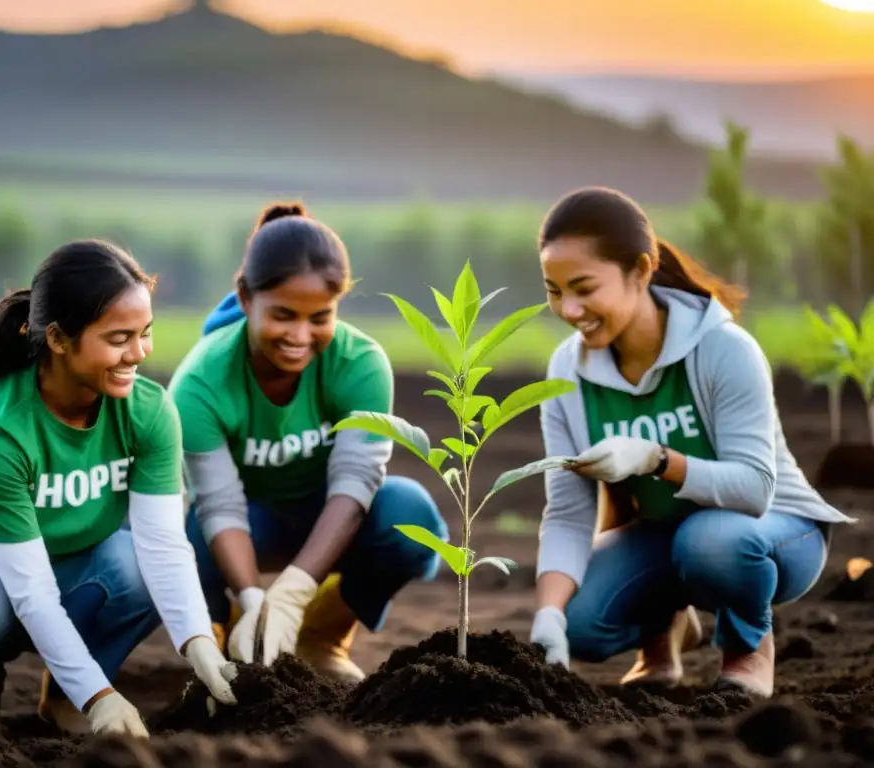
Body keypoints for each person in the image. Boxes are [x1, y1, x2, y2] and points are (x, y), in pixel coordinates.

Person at [0, 240, 237, 737]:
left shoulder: (148, 410)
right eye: (120, 337)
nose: (139, 353)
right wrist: (101, 700)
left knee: (138, 559)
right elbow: (29, 589)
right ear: (57, 338)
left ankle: (64, 694)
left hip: (72, 570)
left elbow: (163, 545)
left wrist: (198, 643)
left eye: (146, 333)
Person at [528, 187, 854, 698]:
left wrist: (657, 459)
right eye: (553, 290)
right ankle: (663, 640)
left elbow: (753, 489)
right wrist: (548, 613)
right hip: (667, 534)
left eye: (584, 288)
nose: (569, 309)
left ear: (640, 270)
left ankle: (749, 648)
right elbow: (569, 512)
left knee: (710, 543)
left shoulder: (723, 348)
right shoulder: (567, 372)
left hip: (773, 530)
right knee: (583, 622)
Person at [168, 202, 448, 682]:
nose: (300, 336)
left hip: (332, 517)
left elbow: (356, 481)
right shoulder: (200, 382)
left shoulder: (359, 364)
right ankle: (224, 645)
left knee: (410, 516)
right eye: (282, 315)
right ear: (244, 297)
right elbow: (220, 505)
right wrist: (255, 597)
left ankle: (322, 637)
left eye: (320, 317)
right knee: (190, 539)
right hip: (252, 525)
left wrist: (295, 590)